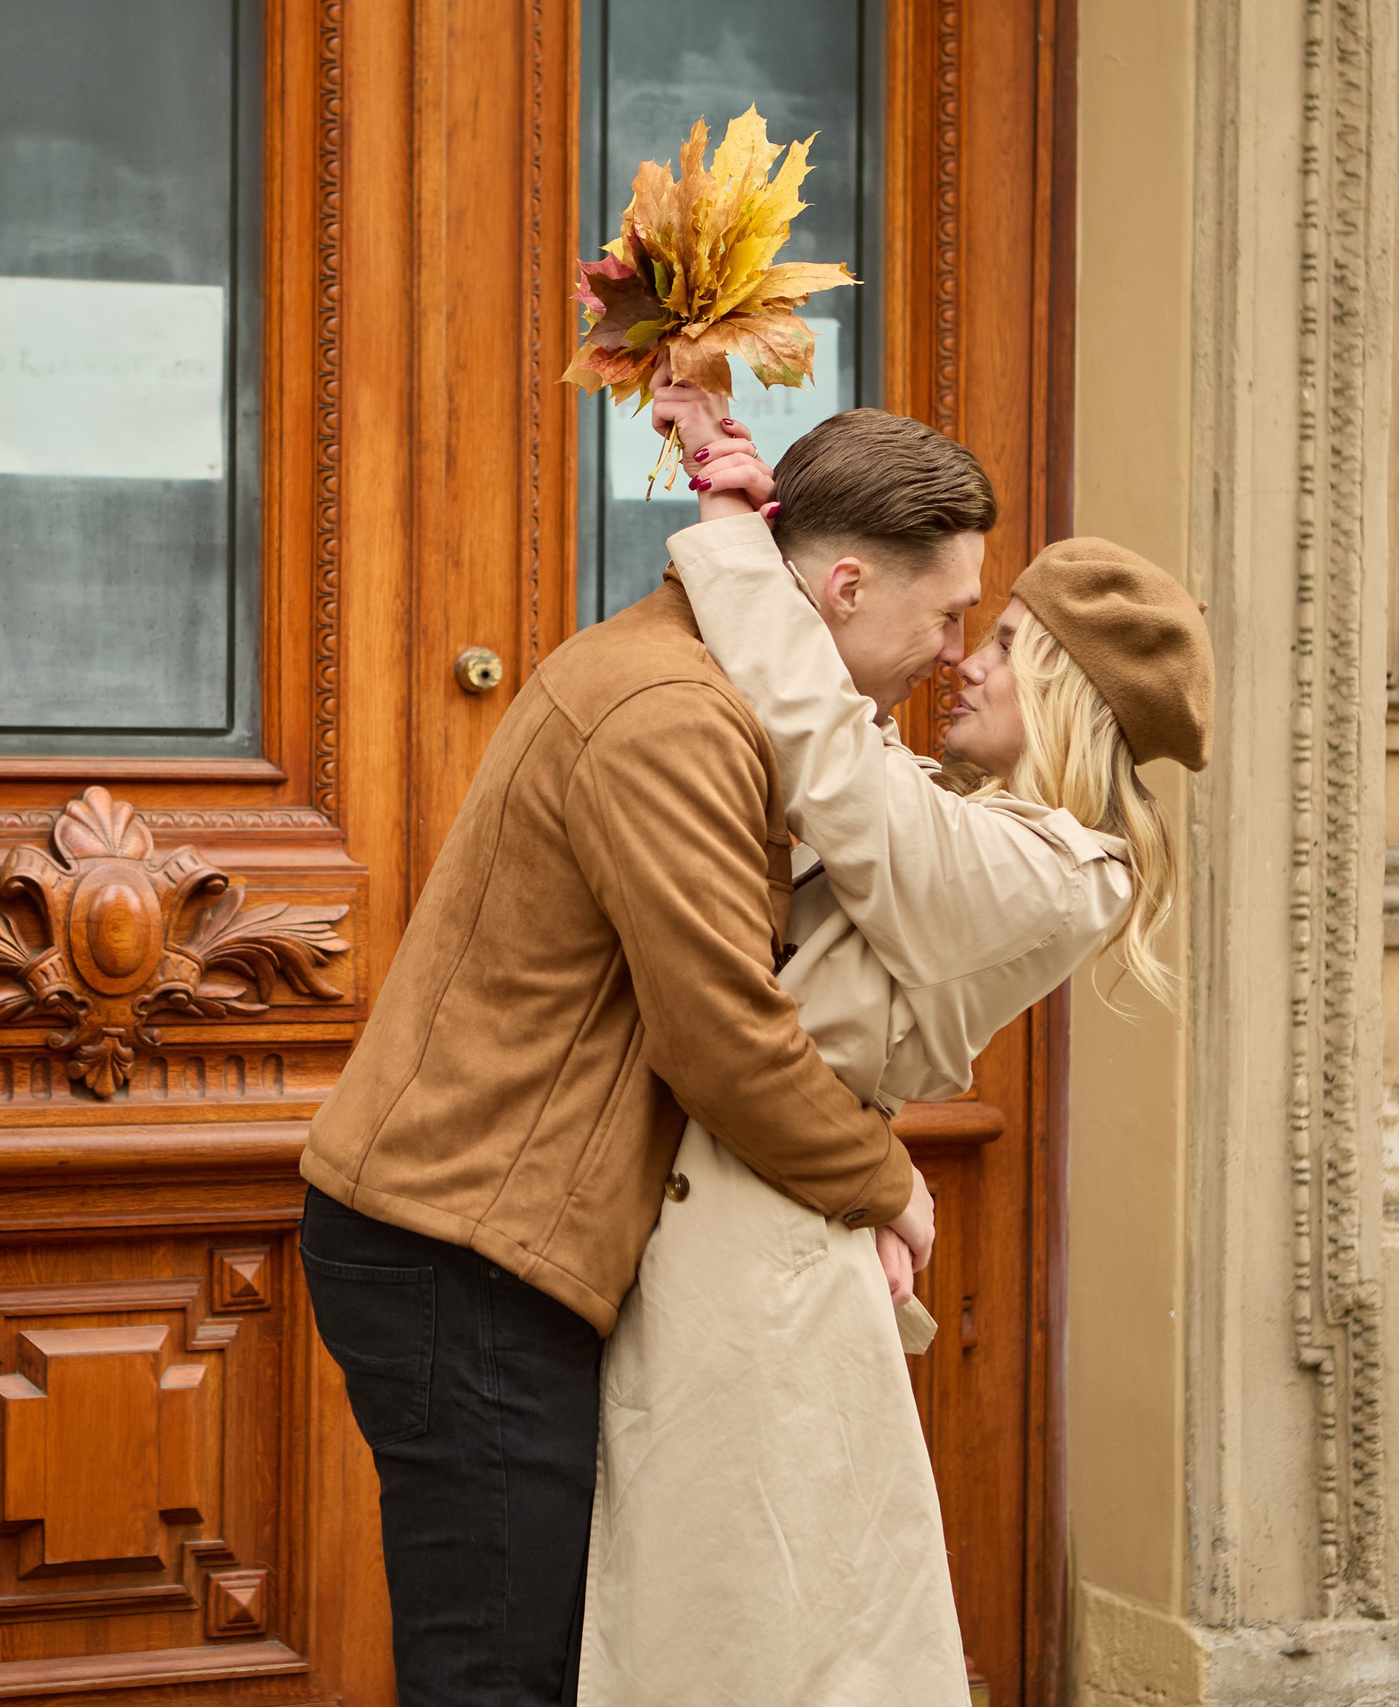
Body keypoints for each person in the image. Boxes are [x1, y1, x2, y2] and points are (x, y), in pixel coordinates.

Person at [296, 409, 972, 1703]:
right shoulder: (676, 713)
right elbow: (722, 1037)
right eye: (942, 618)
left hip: (480, 1238)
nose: (951, 655)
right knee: (502, 1674)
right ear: (844, 587)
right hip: (466, 1250)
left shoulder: (699, 687)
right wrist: (890, 1183)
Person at [575, 392, 1212, 1706]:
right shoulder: (957, 809)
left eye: (1006, 641)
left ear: (1070, 695)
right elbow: (837, 733)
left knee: (755, 1631)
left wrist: (731, 543)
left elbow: (828, 768)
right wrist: (763, 519)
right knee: (740, 1622)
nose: (963, 658)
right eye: (968, 624)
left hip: (763, 1250)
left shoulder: (1060, 869)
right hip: (741, 1210)